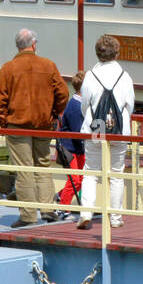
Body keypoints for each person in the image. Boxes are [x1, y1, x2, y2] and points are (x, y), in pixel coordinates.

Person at [0, 29, 69, 227]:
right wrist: (53, 113)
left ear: (18, 46)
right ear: (34, 44)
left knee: (24, 170)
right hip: (43, 126)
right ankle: (48, 211)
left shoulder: (8, 68)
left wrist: (4, 123)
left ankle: (27, 216)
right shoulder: (48, 65)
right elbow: (63, 94)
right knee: (43, 167)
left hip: (17, 126)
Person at [76, 36, 135, 230]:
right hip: (119, 130)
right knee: (116, 174)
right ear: (116, 53)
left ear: (97, 53)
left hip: (96, 128)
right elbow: (130, 106)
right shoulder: (124, 76)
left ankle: (86, 214)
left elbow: (85, 105)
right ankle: (115, 218)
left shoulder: (90, 76)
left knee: (91, 172)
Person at [57, 71, 86, 207]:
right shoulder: (75, 106)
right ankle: (63, 208)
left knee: (80, 179)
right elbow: (78, 131)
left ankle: (60, 196)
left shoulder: (77, 103)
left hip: (76, 147)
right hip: (71, 148)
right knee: (75, 180)